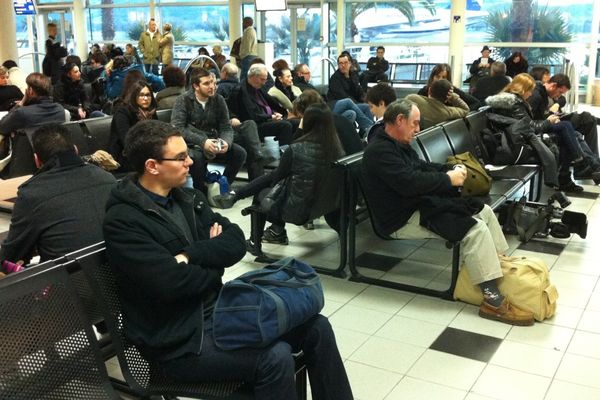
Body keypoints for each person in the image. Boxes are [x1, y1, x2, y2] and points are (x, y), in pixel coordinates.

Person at [103, 119, 353, 400]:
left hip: (217, 313)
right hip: (177, 341)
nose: (191, 162)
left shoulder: (188, 198)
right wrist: (214, 262)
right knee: (276, 357)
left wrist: (192, 255)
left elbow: (234, 241)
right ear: (152, 166)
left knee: (317, 327)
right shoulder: (124, 221)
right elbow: (170, 284)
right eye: (181, 157)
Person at [363, 99, 534, 326]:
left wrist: (449, 169)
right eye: (415, 124)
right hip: (399, 219)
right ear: (400, 120)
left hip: (419, 206)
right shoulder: (379, 152)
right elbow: (409, 183)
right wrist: (447, 179)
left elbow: (421, 167)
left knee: (483, 211)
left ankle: (501, 270)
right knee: (474, 230)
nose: (418, 130)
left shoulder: (396, 145)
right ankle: (493, 299)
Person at [216, 104, 346, 248]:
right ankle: (271, 228)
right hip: (326, 204)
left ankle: (256, 240)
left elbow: (276, 178)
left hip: (301, 210)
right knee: (275, 182)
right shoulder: (337, 148)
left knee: (262, 192)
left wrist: (301, 129)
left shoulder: (297, 150)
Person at [0, 124, 116, 265]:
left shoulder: (32, 194)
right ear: (75, 150)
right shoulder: (107, 178)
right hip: (120, 274)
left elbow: (11, 255)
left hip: (69, 282)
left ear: (37, 160)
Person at [486, 73, 600, 192]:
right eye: (530, 90)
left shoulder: (513, 101)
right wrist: (548, 121)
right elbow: (529, 127)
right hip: (520, 142)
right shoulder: (515, 104)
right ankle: (580, 166)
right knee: (566, 129)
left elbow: (527, 124)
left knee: (569, 132)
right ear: (523, 89)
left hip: (519, 137)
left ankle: (580, 166)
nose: (530, 94)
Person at [171, 68, 247, 188]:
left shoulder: (218, 99)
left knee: (240, 153)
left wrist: (225, 142)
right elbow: (178, 128)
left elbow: (226, 127)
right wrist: (202, 142)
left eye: (213, 82)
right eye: (206, 83)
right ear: (196, 86)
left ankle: (222, 185)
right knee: (198, 159)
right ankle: (200, 191)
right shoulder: (183, 100)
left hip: (213, 141)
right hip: (192, 144)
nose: (212, 86)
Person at [0, 73, 67, 177]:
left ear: (30, 91)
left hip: (25, 165)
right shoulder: (60, 109)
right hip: (57, 162)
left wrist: (22, 102)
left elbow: (2, 126)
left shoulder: (23, 113)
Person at [528, 73, 599, 157]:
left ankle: (592, 158)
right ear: (553, 85)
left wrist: (555, 107)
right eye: (560, 92)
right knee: (587, 119)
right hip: (546, 123)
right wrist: (550, 119)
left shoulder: (545, 93)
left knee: (588, 118)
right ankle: (591, 159)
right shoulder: (537, 95)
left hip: (552, 119)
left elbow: (562, 99)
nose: (559, 96)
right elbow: (530, 121)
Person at [227, 63, 294, 147]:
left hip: (266, 119)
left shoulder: (258, 88)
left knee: (295, 123)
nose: (264, 83)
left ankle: (295, 151)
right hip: (255, 125)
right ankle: (285, 154)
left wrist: (277, 113)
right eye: (262, 79)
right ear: (253, 77)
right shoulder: (240, 91)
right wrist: (270, 117)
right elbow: (251, 115)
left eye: (265, 79)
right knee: (285, 126)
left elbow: (272, 104)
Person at [109, 81, 158, 170]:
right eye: (141, 95)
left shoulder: (151, 112)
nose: (145, 98)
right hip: (124, 156)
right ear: (134, 96)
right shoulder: (122, 112)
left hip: (147, 153)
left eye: (148, 95)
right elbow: (127, 140)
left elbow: (158, 134)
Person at [327, 53, 374, 134]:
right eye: (340, 63)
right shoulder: (335, 78)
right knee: (348, 101)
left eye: (345, 63)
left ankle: (364, 135)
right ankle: (371, 127)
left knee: (365, 107)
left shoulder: (353, 75)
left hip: (350, 106)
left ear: (350, 64)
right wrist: (357, 104)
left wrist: (365, 99)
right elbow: (342, 96)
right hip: (335, 106)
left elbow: (359, 93)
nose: (343, 65)